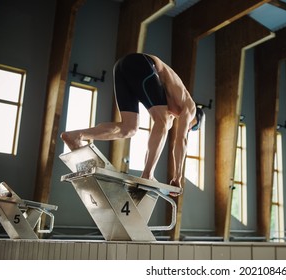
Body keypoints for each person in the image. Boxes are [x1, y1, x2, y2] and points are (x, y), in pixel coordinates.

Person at [61, 53, 204, 196]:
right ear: (196, 119)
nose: (188, 128)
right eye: (192, 127)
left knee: (129, 128)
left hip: (121, 67)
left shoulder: (173, 107)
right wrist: (178, 177)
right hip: (142, 63)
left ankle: (77, 135)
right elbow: (181, 141)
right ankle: (147, 175)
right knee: (164, 121)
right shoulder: (189, 106)